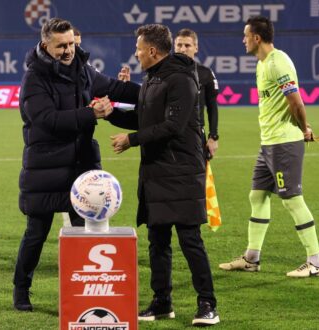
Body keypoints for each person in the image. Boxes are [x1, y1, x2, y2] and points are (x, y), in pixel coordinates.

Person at [13, 18, 140, 312]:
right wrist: (89, 114)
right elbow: (46, 120)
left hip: (81, 167)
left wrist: (151, 91)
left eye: (71, 44)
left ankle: (83, 290)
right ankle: (21, 289)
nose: (68, 50)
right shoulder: (34, 77)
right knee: (36, 231)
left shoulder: (82, 69)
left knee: (86, 233)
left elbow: (114, 88)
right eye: (61, 46)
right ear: (46, 46)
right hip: (45, 167)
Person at [98, 24, 219, 326]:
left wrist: (132, 140)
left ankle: (208, 304)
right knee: (157, 240)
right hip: (155, 170)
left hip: (182, 170)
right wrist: (109, 112)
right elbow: (142, 117)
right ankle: (162, 301)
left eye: (139, 48)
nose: (136, 53)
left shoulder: (181, 79)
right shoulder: (153, 78)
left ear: (152, 50)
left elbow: (172, 126)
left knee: (190, 239)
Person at [219, 16, 319, 277]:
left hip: (283, 143)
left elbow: (296, 102)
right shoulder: (261, 63)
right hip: (268, 144)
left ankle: (315, 263)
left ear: (256, 38)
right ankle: (252, 258)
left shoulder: (278, 62)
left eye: (245, 35)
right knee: (257, 196)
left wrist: (304, 129)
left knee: (291, 200)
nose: (243, 40)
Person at [174, 28, 219, 159]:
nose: (183, 49)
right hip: (169, 136)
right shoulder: (163, 72)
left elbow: (212, 106)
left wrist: (213, 137)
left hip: (195, 136)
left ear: (196, 48)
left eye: (187, 45)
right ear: (174, 47)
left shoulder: (205, 73)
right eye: (179, 45)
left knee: (198, 177)